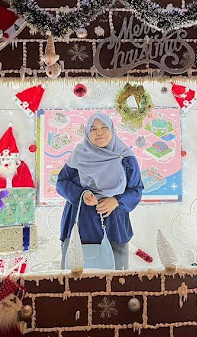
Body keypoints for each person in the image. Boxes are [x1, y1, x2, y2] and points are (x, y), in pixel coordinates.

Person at [56, 113, 143, 270]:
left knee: (115, 278)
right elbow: (62, 182)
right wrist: (82, 194)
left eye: (104, 127)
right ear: (87, 133)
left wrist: (116, 201)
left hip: (114, 227)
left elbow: (136, 190)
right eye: (93, 129)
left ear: (112, 129)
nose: (99, 133)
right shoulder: (79, 156)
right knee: (75, 277)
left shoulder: (125, 158)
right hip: (79, 226)